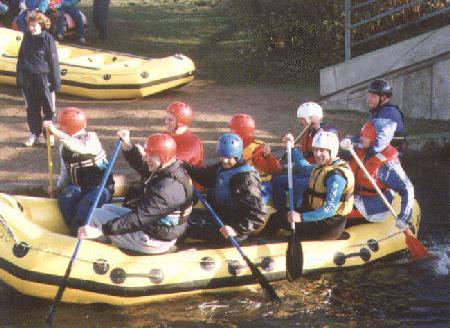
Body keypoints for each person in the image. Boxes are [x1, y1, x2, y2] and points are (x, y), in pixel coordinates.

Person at [77, 132, 193, 255]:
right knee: (106, 208)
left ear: (164, 156)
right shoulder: (170, 169)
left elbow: (139, 219)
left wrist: (102, 230)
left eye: (151, 155)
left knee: (95, 216)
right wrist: (128, 146)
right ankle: (108, 239)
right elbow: (143, 166)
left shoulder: (167, 189)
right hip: (156, 227)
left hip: (154, 239)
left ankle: (102, 252)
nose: (146, 158)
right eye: (146, 153)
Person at [263, 131, 355, 240]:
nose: (317, 153)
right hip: (317, 216)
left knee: (277, 219)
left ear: (332, 151)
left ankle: (260, 243)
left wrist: (301, 217)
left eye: (322, 150)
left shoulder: (336, 177)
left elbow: (330, 209)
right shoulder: (323, 167)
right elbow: (305, 167)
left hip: (328, 225)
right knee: (281, 214)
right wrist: (291, 149)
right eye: (315, 149)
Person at [43, 107, 114, 235]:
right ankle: (74, 229)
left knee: (87, 202)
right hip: (78, 187)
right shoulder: (64, 147)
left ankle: (79, 230)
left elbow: (79, 147)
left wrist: (56, 132)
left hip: (101, 188)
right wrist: (57, 189)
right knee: (66, 197)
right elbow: (66, 172)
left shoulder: (91, 138)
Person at [185, 133, 267, 243]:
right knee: (183, 216)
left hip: (233, 230)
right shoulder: (221, 167)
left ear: (237, 156)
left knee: (184, 226)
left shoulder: (246, 178)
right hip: (221, 216)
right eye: (222, 156)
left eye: (228, 157)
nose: (224, 161)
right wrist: (183, 166)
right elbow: (203, 176)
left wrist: (236, 230)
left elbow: (258, 214)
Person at [342, 122, 414, 230]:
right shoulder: (364, 149)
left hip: (374, 207)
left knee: (338, 212)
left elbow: (407, 188)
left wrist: (405, 216)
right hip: (357, 197)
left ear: (376, 139)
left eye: (366, 136)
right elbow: (354, 141)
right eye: (362, 135)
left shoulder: (387, 165)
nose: (362, 139)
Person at [17, 11, 60, 147]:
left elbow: (53, 61)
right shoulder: (27, 37)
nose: (32, 28)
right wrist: (20, 78)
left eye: (34, 25)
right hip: (29, 79)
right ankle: (34, 133)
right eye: (30, 25)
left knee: (49, 108)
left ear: (41, 25)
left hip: (44, 78)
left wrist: (55, 81)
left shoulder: (48, 39)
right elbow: (21, 58)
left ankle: (49, 136)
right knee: (32, 108)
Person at [229, 113, 281, 203]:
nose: (230, 132)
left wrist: (267, 156)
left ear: (240, 131)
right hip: (241, 183)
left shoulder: (258, 148)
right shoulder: (233, 144)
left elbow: (274, 168)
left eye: (232, 130)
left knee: (255, 203)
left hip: (260, 185)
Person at [360, 79, 406, 154]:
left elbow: (382, 141)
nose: (369, 99)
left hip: (388, 158)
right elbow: (367, 134)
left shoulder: (389, 113)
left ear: (384, 98)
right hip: (381, 154)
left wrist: (367, 148)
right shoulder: (378, 111)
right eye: (369, 95)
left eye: (373, 96)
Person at [165, 101, 204, 167]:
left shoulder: (193, 143)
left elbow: (174, 164)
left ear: (180, 122)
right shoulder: (164, 135)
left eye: (170, 120)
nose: (166, 122)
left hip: (184, 175)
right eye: (166, 118)